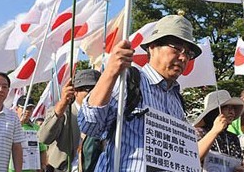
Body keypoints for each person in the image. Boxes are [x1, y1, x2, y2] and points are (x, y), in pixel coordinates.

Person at [78, 14, 202, 171]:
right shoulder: (128, 80)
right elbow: (90, 126)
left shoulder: (177, 100)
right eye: (177, 48)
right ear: (152, 47)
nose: (183, 57)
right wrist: (110, 72)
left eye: (188, 54)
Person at [38, 69, 101, 172]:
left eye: (97, 89)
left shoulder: (105, 115)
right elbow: (44, 138)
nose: (93, 93)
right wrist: (62, 105)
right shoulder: (64, 112)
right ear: (75, 91)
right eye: (88, 89)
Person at [193, 90, 244, 172]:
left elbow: (238, 162)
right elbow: (194, 157)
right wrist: (214, 131)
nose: (232, 112)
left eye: (233, 108)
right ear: (215, 111)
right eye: (227, 108)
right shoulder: (198, 132)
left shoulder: (233, 138)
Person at [9, 95, 47, 172]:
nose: (27, 111)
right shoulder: (9, 125)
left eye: (30, 109)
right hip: (12, 169)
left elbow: (42, 149)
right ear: (16, 109)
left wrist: (43, 165)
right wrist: (19, 124)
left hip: (31, 169)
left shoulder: (37, 128)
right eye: (24, 108)